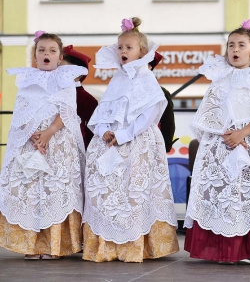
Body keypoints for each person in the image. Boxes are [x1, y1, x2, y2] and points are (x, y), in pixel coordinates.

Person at [184, 19, 250, 265]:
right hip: (221, 142)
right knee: (221, 193)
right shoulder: (220, 78)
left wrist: (242, 134)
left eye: (241, 45)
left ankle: (243, 249)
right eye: (231, 45)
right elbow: (210, 111)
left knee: (244, 194)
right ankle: (221, 248)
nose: (235, 50)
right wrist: (224, 132)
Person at [82, 17, 179, 263]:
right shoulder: (118, 79)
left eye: (129, 47)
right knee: (109, 191)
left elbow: (150, 113)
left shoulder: (146, 79)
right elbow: (104, 110)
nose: (123, 51)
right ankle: (108, 246)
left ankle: (138, 245)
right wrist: (103, 128)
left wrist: (124, 134)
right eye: (120, 47)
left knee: (135, 192)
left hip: (136, 143)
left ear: (142, 52)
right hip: (111, 143)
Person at [0, 31, 86, 259]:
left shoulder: (65, 80)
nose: (46, 53)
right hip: (31, 142)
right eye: (41, 50)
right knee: (32, 193)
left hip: (57, 142)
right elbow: (22, 112)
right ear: (35, 56)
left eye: (51, 50)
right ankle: (33, 246)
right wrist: (31, 135)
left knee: (53, 191)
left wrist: (48, 133)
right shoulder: (27, 81)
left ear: (59, 57)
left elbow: (66, 111)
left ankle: (54, 246)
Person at [61, 45, 98, 149]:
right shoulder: (54, 94)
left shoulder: (88, 100)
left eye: (64, 70)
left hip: (77, 149)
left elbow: (91, 132)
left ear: (79, 74)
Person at [149, 52, 177, 153]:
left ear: (149, 67)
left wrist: (164, 148)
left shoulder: (161, 93)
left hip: (153, 147)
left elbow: (168, 123)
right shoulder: (120, 88)